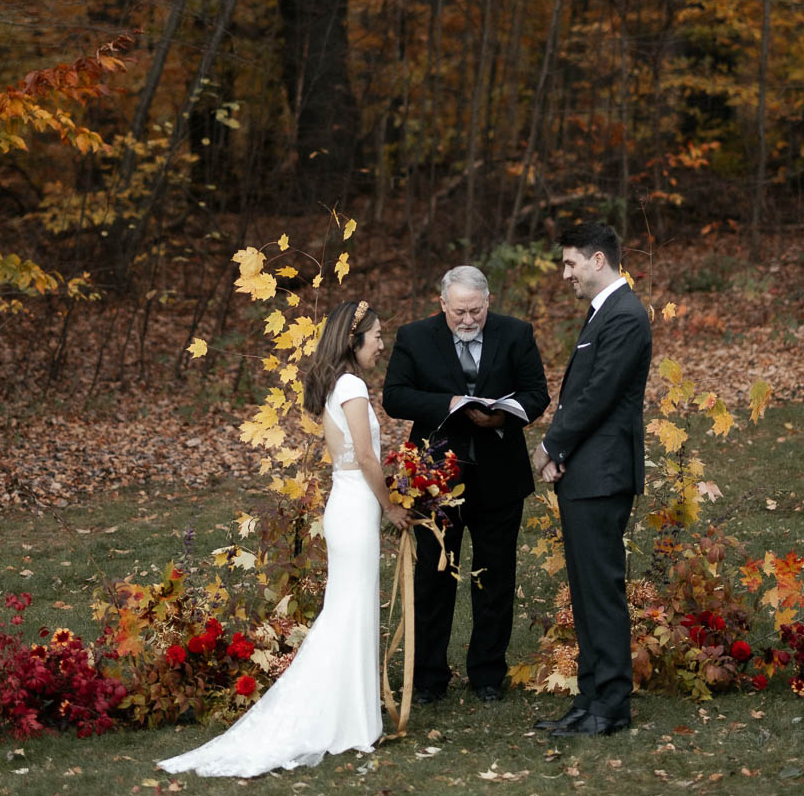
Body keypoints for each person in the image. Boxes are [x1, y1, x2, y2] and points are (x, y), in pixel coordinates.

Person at [159, 299, 409, 778]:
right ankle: (346, 720)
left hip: (348, 503)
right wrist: (392, 506)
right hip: (357, 506)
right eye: (376, 335)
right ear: (354, 341)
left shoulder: (339, 384)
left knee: (350, 610)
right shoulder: (352, 385)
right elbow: (367, 457)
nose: (382, 343)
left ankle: (355, 717)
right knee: (349, 612)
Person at [381, 265, 550, 705]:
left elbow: (537, 393)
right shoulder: (415, 337)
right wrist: (448, 403)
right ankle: (429, 678)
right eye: (459, 312)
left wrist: (502, 415)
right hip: (435, 480)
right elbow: (394, 395)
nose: (469, 320)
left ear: (488, 303)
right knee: (433, 577)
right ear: (442, 306)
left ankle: (488, 674)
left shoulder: (515, 334)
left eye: (476, 310)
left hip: (500, 476)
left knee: (495, 578)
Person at [532, 221, 652, 737]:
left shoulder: (625, 315)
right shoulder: (604, 312)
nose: (566, 275)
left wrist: (553, 446)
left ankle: (611, 706)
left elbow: (598, 394)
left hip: (603, 475)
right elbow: (580, 394)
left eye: (571, 264)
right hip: (586, 472)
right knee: (584, 590)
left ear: (598, 260)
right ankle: (590, 698)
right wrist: (562, 455)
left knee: (601, 590)